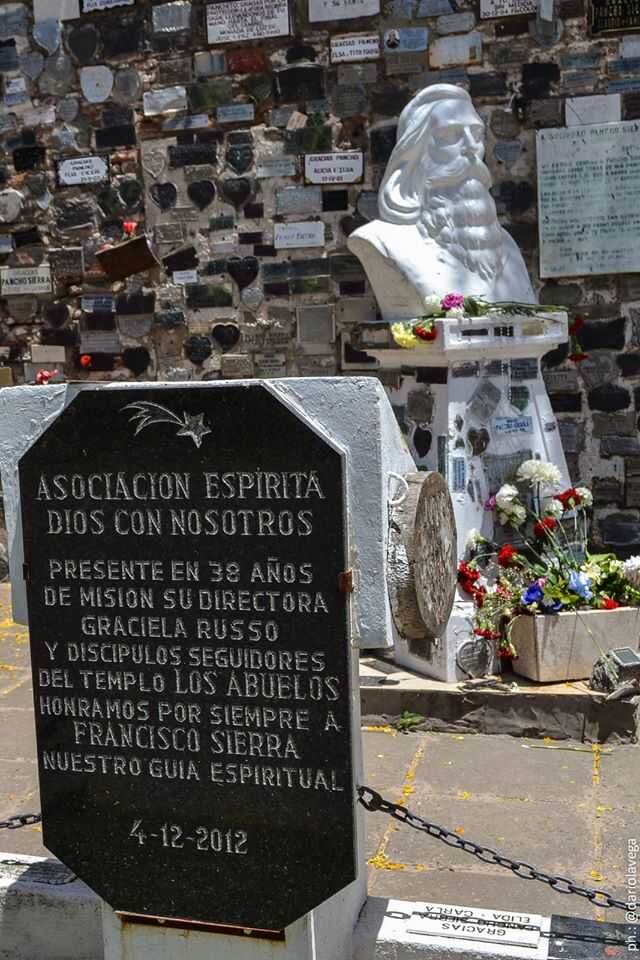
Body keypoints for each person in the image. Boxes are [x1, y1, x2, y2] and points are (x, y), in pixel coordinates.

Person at [348, 84, 535, 323]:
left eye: (476, 135)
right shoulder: (382, 241)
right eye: (450, 135)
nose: (471, 148)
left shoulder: (506, 245)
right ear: (415, 154)